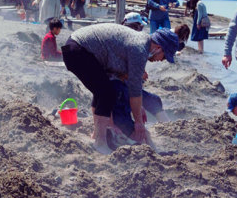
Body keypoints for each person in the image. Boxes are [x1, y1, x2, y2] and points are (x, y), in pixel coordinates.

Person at [61, 23, 179, 153]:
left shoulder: (141, 43)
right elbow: (135, 91)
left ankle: (97, 135)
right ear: (158, 48)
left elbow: (124, 78)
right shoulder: (140, 50)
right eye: (164, 56)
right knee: (106, 93)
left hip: (76, 47)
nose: (162, 60)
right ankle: (100, 143)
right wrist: (138, 123)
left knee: (102, 90)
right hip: (78, 50)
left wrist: (138, 107)